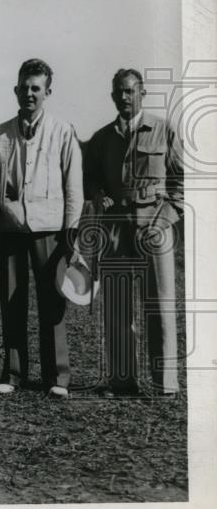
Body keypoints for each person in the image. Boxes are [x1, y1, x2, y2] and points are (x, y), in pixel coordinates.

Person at [0, 59, 82, 399]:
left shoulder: (63, 132)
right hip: (9, 229)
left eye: (36, 88)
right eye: (24, 87)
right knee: (12, 301)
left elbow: (73, 189)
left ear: (47, 92)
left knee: (52, 302)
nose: (29, 94)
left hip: (50, 230)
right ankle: (12, 372)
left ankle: (57, 377)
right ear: (15, 90)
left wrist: (70, 231)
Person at [84, 68, 183, 397]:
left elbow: (182, 182)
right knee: (117, 305)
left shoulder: (162, 130)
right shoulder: (102, 138)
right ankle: (122, 380)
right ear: (112, 96)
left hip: (155, 226)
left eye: (129, 91)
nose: (123, 97)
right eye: (118, 92)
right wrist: (98, 194)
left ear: (142, 93)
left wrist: (165, 218)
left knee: (160, 305)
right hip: (115, 227)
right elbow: (90, 180)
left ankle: (164, 382)